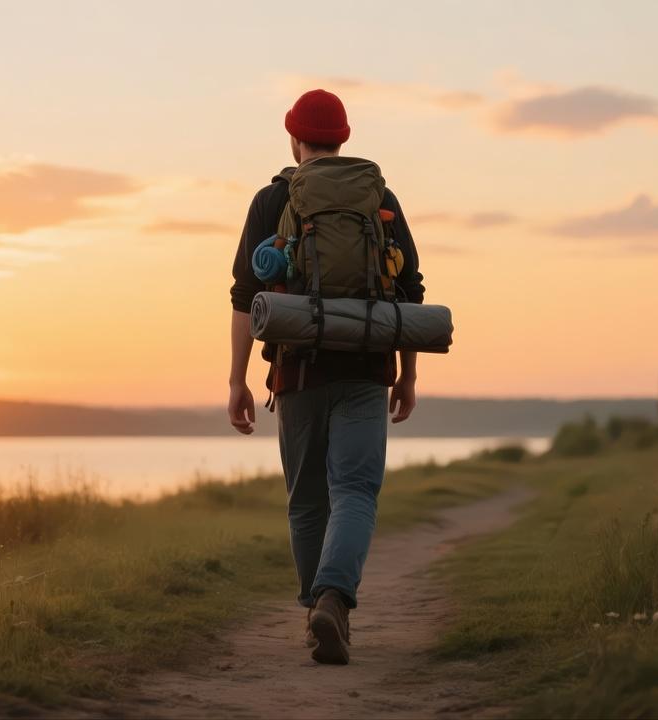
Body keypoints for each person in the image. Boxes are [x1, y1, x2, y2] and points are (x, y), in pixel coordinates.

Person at [227, 88, 426, 664]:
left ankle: (316, 608)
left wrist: (238, 380)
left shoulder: (272, 198)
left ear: (294, 138)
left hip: (297, 370)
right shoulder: (379, 196)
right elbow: (410, 290)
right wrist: (406, 375)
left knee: (308, 501)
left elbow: (244, 296)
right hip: (367, 365)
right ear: (343, 139)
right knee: (356, 491)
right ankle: (334, 599)